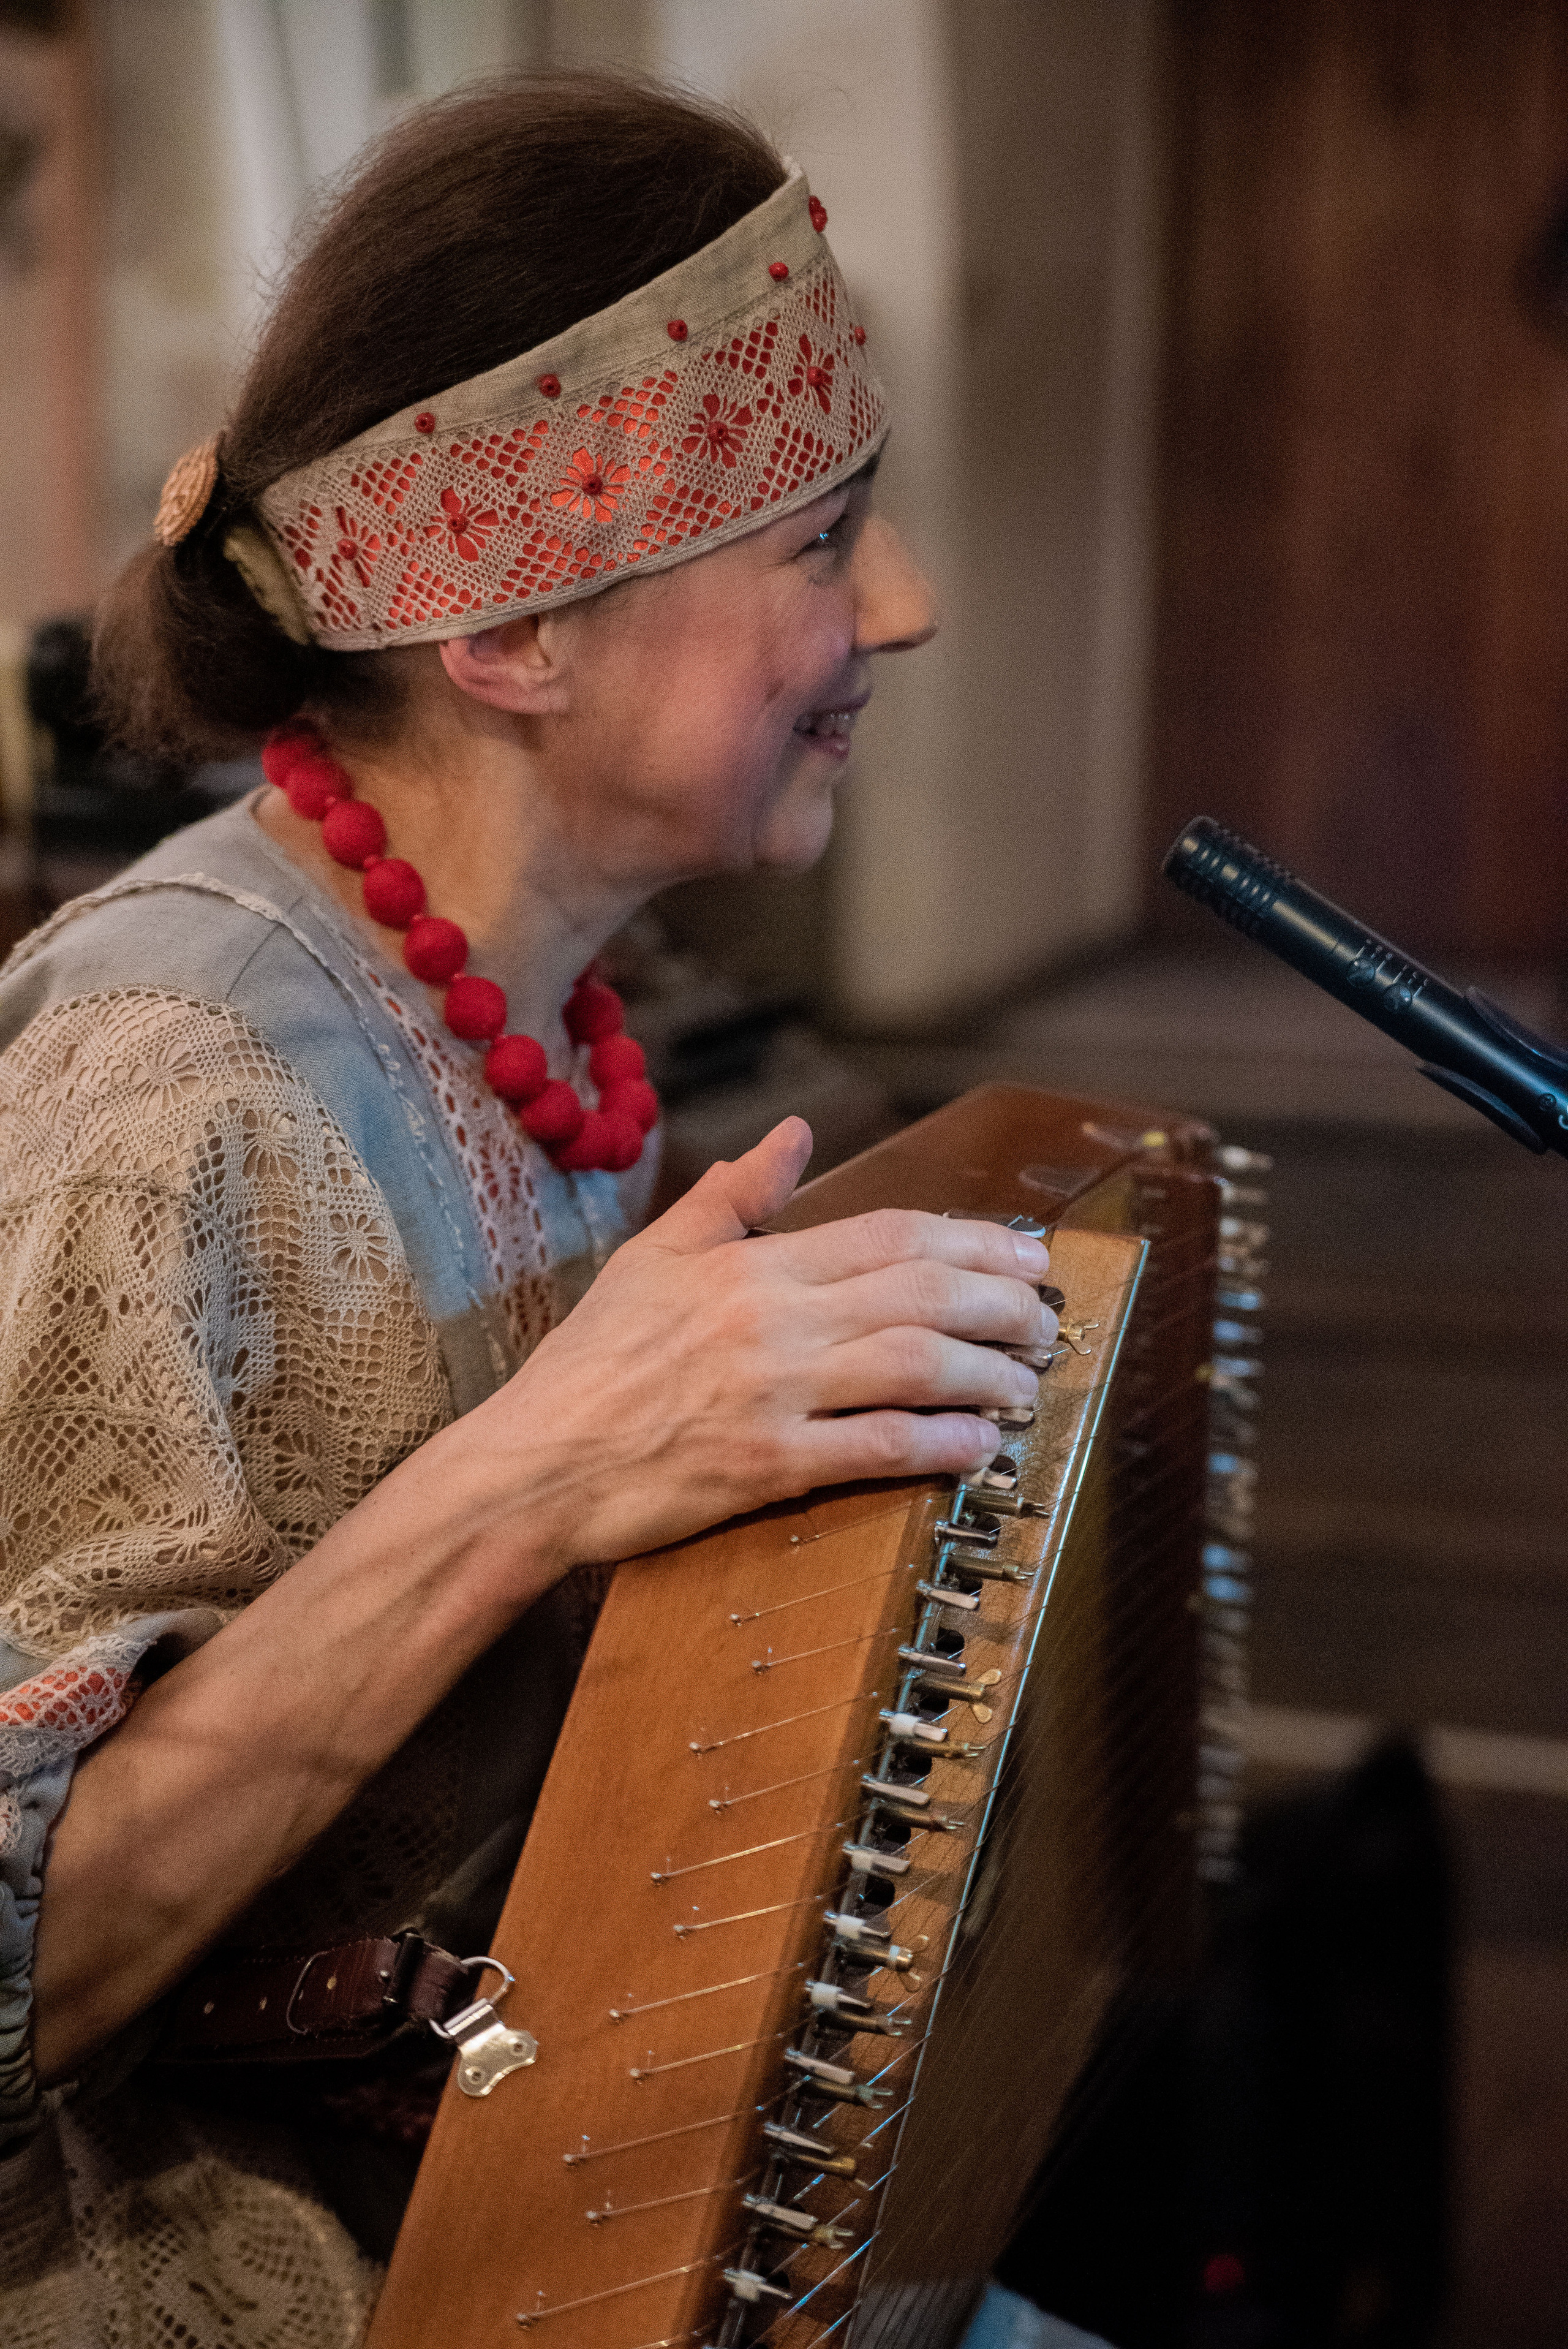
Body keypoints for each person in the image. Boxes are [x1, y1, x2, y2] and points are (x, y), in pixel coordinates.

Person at [0, 71, 1058, 2349]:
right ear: (507, 636)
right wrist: (551, 1463)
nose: (906, 604)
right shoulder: (172, 1080)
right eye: (814, 537)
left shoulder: (545, 1003)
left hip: (568, 2169)